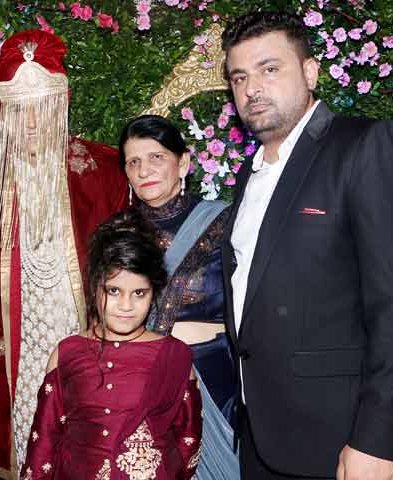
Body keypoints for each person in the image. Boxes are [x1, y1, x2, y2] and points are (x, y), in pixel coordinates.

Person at [221, 11, 393, 480]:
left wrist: (377, 440)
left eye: (269, 68)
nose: (252, 87)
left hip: (342, 442)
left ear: (312, 71)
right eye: (240, 77)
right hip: (259, 434)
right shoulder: (247, 175)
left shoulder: (368, 146)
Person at [0, 30, 127, 478]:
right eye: (19, 111)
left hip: (94, 353)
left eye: (41, 109)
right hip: (23, 360)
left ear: (60, 107)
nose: (31, 123)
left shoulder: (105, 174)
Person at [20, 210, 202, 479]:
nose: (126, 306)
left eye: (139, 293)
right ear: (95, 287)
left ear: (153, 292)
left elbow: (188, 439)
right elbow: (44, 440)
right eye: (113, 291)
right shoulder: (68, 352)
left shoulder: (174, 355)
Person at [119, 114, 239, 480]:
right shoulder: (118, 234)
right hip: (138, 382)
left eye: (156, 157)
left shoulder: (225, 222)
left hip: (212, 378)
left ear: (183, 162)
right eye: (133, 162)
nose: (144, 171)